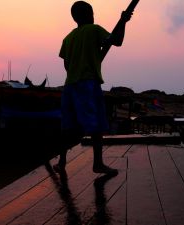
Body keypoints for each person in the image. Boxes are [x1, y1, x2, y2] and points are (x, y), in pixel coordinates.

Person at [55, 1, 132, 174]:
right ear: (89, 15)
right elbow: (117, 41)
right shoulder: (94, 29)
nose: (94, 15)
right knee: (96, 125)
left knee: (67, 127)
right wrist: (123, 22)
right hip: (88, 84)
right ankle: (98, 164)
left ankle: (61, 163)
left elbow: (67, 65)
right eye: (92, 12)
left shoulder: (68, 38)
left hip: (69, 86)